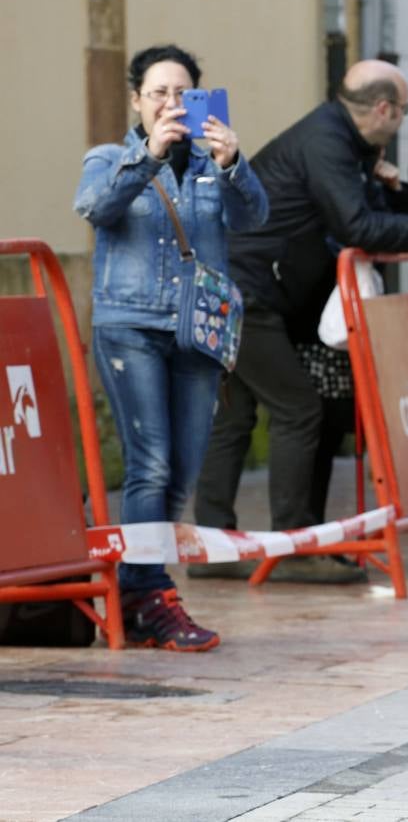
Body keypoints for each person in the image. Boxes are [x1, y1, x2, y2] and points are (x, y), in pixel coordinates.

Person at [194, 59, 408, 583]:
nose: (402, 121)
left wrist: (388, 186)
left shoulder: (342, 142)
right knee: (299, 409)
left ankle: (214, 545)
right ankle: (294, 544)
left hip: (246, 285)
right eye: (403, 111)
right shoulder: (327, 143)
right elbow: (356, 225)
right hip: (247, 291)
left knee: (236, 415)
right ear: (382, 109)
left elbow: (358, 213)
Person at [74, 44, 268, 649]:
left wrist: (234, 163)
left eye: (182, 92)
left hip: (197, 332)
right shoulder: (110, 156)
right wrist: (149, 155)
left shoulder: (213, 162)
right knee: (150, 461)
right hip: (131, 325)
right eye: (158, 92)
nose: (171, 103)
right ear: (137, 100)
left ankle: (136, 590)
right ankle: (148, 592)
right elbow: (95, 208)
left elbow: (255, 217)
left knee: (181, 471)